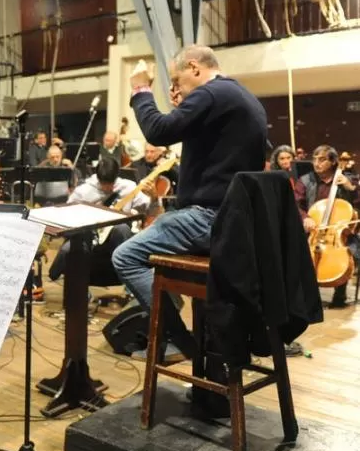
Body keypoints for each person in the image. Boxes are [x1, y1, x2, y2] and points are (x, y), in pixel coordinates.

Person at [112, 45, 268, 363]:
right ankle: (189, 341)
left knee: (125, 256)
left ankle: (184, 344)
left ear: (194, 68)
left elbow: (157, 131)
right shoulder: (241, 96)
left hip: (209, 220)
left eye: (176, 80)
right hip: (235, 224)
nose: (173, 89)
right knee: (158, 235)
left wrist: (141, 88)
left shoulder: (211, 93)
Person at [49, 157, 150, 286]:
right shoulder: (83, 191)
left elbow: (147, 207)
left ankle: (132, 286)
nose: (107, 187)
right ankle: (70, 288)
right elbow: (68, 214)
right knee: (68, 249)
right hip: (91, 235)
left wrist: (153, 196)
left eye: (111, 183)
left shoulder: (129, 187)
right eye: (103, 183)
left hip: (116, 236)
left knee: (122, 228)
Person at [295, 144, 360, 309]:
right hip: (313, 229)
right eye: (315, 160)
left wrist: (350, 188)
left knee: (352, 250)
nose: (317, 163)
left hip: (340, 231)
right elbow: (296, 204)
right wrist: (306, 218)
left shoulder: (349, 179)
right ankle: (309, 295)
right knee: (298, 251)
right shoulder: (305, 180)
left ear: (333, 162)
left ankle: (340, 294)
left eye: (322, 160)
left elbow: (357, 204)